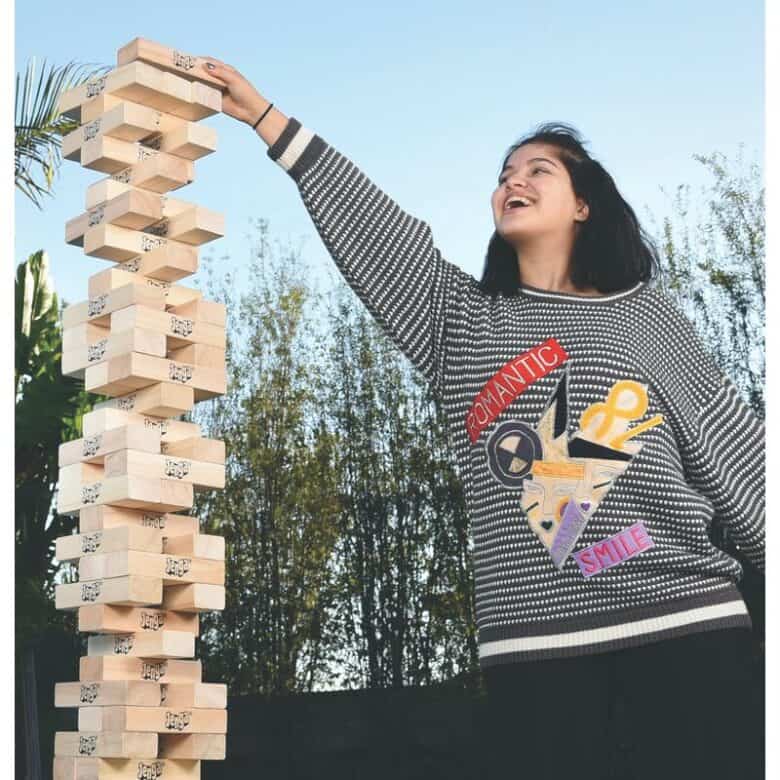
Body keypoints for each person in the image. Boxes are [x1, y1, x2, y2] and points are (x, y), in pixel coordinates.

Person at [199, 56, 765, 779]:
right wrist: (262, 116)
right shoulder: (461, 323)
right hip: (534, 655)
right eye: (504, 173)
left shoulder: (646, 315)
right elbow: (382, 235)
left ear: (583, 204)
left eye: (538, 170)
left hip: (683, 629)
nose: (513, 182)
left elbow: (740, 460)